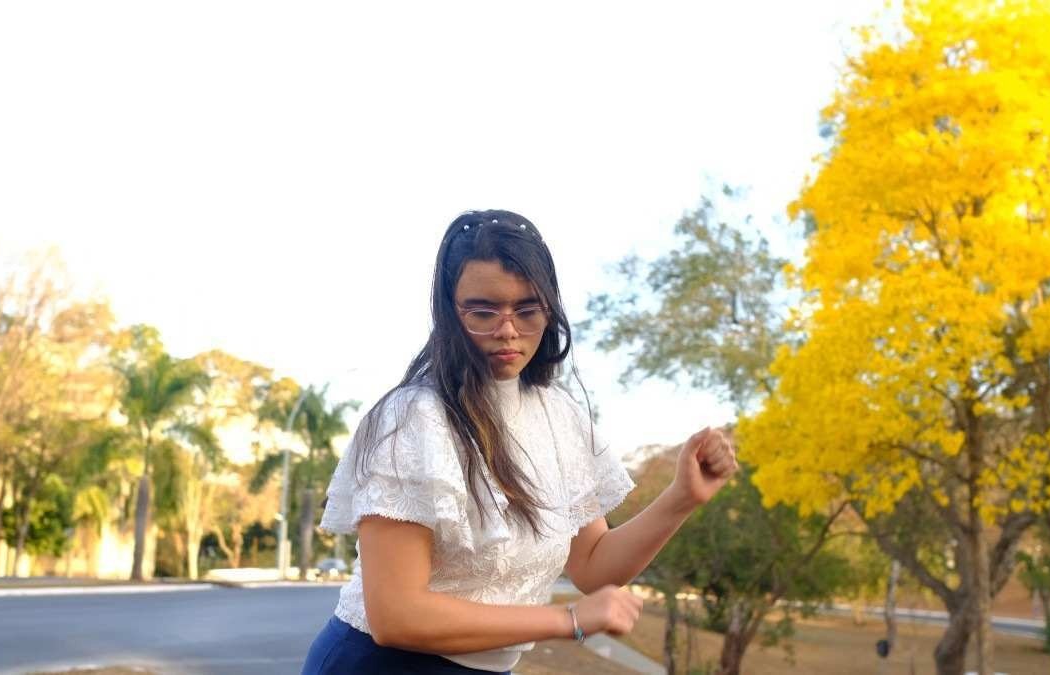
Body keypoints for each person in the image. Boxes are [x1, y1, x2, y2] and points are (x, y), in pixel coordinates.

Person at [301, 210, 737, 674]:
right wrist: (568, 620)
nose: (507, 330)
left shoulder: (558, 415)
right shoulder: (414, 418)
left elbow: (592, 565)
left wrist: (682, 497)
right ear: (449, 313)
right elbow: (396, 616)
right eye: (483, 311)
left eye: (527, 310)